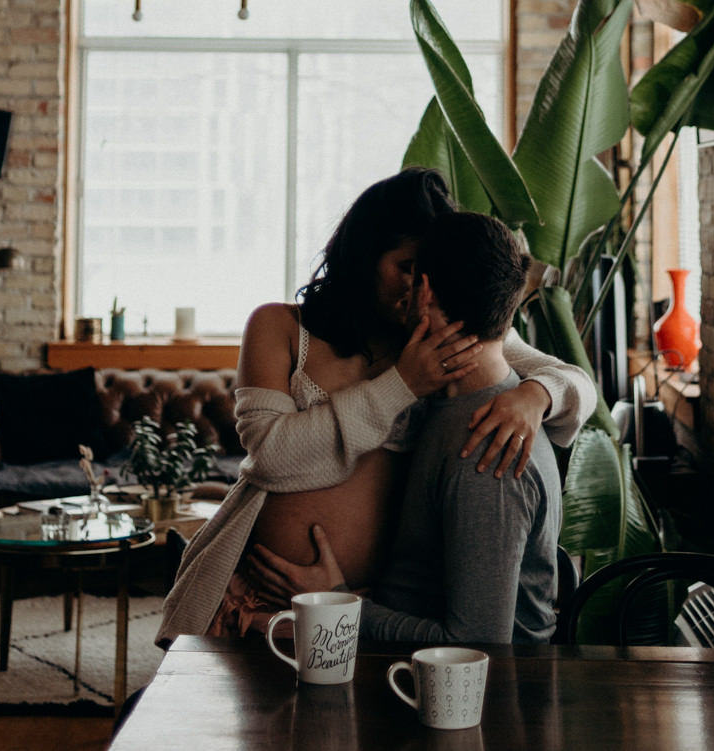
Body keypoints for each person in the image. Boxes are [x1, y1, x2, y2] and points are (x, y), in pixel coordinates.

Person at [158, 169, 593, 642]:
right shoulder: (280, 327)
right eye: (406, 266)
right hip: (256, 593)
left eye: (427, 273)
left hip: (373, 608)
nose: (416, 286)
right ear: (365, 256)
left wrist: (536, 395)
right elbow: (269, 458)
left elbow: (575, 381)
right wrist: (402, 384)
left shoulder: (441, 332)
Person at [246, 210, 561, 644]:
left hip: (462, 698)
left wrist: (337, 601)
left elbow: (476, 648)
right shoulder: (447, 401)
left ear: (424, 290)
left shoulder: (488, 451)